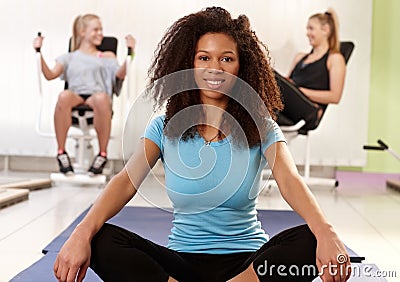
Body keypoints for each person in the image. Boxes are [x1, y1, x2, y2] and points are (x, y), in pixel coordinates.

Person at [53, 7, 351, 282]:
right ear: (189, 63)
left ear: (241, 66)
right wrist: (82, 232)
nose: (215, 67)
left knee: (310, 238)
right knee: (100, 238)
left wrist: (326, 232)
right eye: (204, 57)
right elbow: (125, 182)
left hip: (247, 266)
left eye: (227, 58)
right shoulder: (164, 126)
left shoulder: (261, 125)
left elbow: (289, 180)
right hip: (180, 265)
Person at [33, 14, 136, 175]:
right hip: (76, 96)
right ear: (82, 32)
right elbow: (50, 75)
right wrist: (38, 53)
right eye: (95, 29)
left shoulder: (107, 56)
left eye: (101, 29)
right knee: (64, 96)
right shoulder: (69, 57)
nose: (100, 33)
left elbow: (120, 74)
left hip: (97, 98)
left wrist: (131, 53)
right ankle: (61, 153)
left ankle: (102, 154)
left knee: (102, 98)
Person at [278, 8, 346, 130]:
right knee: (264, 78)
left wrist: (298, 91)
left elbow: (335, 97)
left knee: (271, 77)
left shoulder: (334, 59)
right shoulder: (300, 57)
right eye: (307, 29)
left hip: (309, 111)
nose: (307, 33)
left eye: (311, 28)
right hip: (290, 105)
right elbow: (287, 83)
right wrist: (291, 87)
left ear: (325, 30)